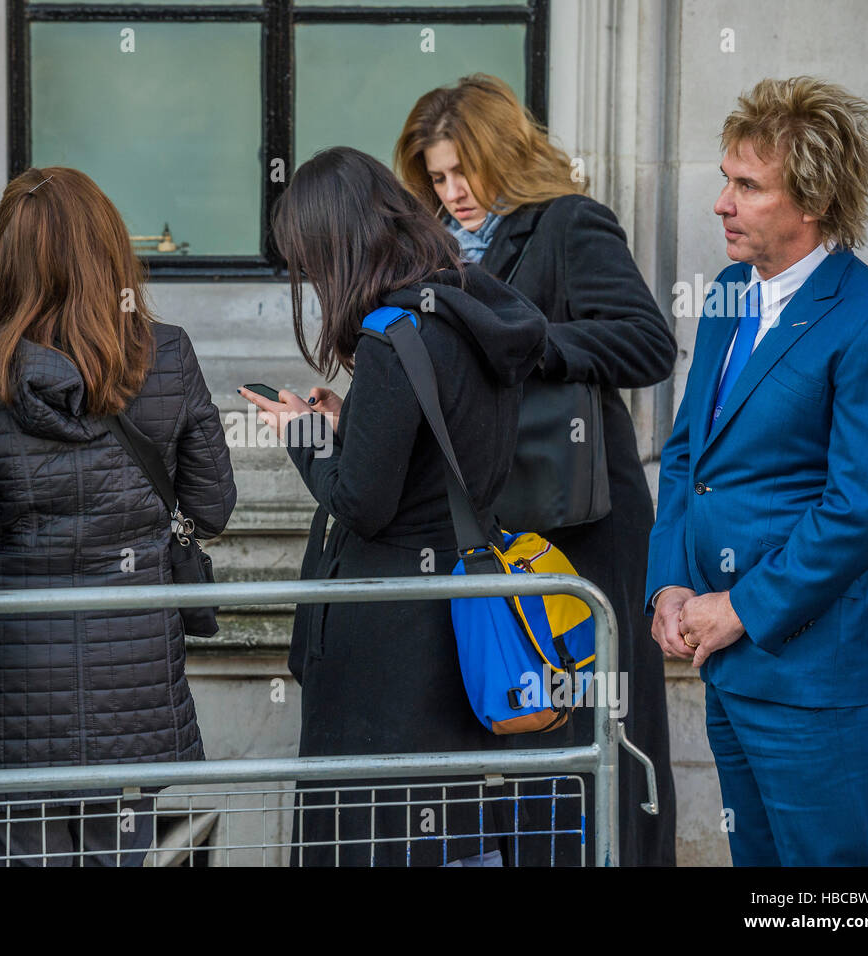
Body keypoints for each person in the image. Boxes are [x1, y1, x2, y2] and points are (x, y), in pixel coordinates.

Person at [395, 73, 678, 866]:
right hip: (492, 526)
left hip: (583, 519)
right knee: (513, 722)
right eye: (437, 177)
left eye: (464, 171)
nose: (454, 192)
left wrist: (538, 343)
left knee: (601, 723)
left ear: (505, 156)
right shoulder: (431, 255)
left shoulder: (569, 224)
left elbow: (648, 345)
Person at [647, 77, 868, 866]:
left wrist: (739, 606)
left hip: (814, 671)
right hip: (727, 660)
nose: (721, 205)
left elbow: (865, 510)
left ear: (812, 201)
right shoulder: (731, 295)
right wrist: (669, 582)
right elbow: (685, 459)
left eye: (747, 187)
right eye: (724, 181)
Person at [241, 146, 547, 866]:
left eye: (311, 264)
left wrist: (306, 434)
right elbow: (440, 458)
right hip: (457, 620)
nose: (312, 283)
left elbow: (362, 502)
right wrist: (352, 423)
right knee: (453, 833)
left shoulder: (391, 334)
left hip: (386, 642)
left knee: (374, 837)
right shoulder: (470, 311)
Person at [0, 166, 237, 867]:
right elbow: (212, 506)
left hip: (5, 674)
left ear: (10, 258)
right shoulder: (169, 355)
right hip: (135, 677)